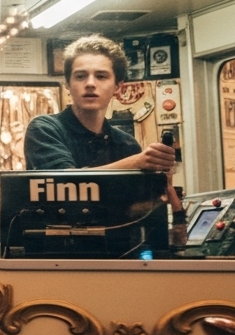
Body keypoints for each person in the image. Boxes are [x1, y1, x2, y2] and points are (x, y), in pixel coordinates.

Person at [24, 34, 183, 211]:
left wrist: (163, 186)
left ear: (118, 87)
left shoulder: (126, 144)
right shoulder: (45, 129)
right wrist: (137, 163)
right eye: (80, 76)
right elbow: (63, 184)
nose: (90, 84)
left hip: (115, 238)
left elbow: (135, 210)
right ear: (67, 84)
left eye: (101, 76)